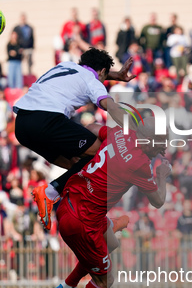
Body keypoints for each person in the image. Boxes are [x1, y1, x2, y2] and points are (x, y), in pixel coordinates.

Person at [52, 118, 171, 288]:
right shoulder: (140, 164)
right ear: (147, 141)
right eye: (160, 144)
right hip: (82, 223)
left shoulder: (119, 134)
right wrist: (162, 175)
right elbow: (157, 201)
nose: (163, 149)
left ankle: (67, 286)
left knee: (112, 243)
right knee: (106, 279)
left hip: (69, 202)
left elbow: (92, 126)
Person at [13, 47, 135, 229]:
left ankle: (66, 202)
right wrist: (133, 129)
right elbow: (111, 106)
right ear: (102, 71)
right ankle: (51, 192)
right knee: (101, 154)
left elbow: (90, 73)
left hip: (22, 124)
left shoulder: (64, 65)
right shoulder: (93, 82)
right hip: (47, 119)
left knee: (77, 164)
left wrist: (116, 75)